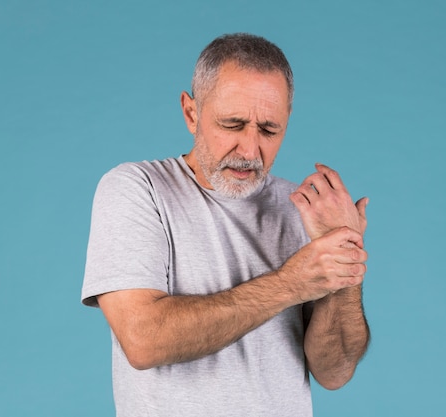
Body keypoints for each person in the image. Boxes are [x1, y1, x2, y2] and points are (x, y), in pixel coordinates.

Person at [81, 33, 370, 417]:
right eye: (233, 125)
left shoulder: (301, 209)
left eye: (269, 130)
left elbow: (334, 372)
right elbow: (144, 340)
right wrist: (292, 283)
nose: (250, 151)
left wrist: (344, 260)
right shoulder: (136, 188)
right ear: (191, 113)